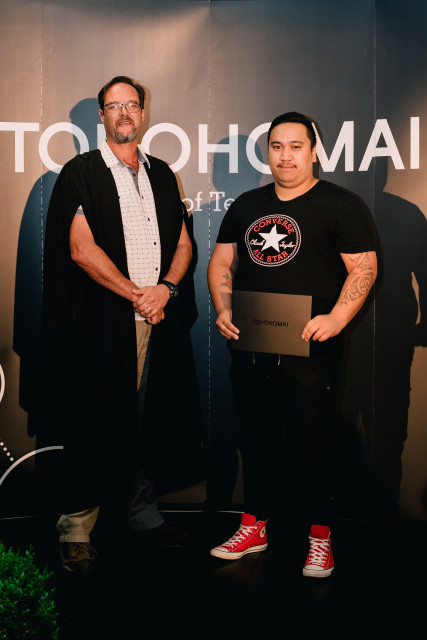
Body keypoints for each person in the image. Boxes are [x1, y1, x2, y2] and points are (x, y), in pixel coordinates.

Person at [41, 76, 201, 573]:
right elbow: (80, 249)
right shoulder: (81, 172)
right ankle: (76, 529)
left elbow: (183, 243)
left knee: (148, 423)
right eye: (115, 106)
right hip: (105, 326)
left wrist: (166, 289)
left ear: (143, 113)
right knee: (93, 424)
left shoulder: (162, 174)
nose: (125, 113)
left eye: (132, 104)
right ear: (101, 116)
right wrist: (138, 294)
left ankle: (143, 516)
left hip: (159, 320)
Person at [207, 112, 377, 577]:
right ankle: (254, 527)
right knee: (256, 441)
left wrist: (337, 318)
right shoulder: (247, 204)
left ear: (314, 150)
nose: (285, 156)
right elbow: (222, 262)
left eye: (295, 146)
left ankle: (320, 539)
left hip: (310, 352)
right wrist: (223, 307)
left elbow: (364, 267)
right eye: (277, 147)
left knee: (314, 446)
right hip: (252, 347)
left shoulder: (341, 204)